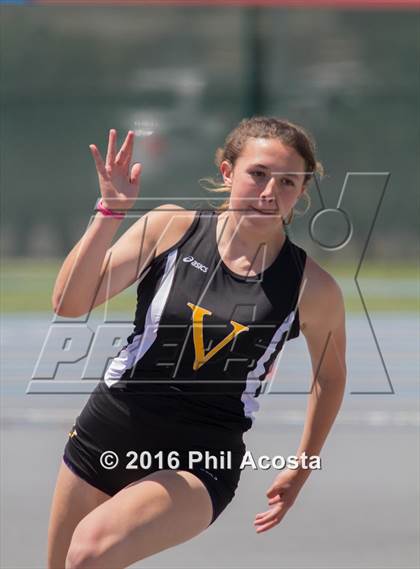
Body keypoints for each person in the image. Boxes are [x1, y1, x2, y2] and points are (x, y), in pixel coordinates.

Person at [47, 116, 346, 569]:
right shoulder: (171, 227)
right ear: (228, 173)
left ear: (301, 193)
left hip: (202, 455)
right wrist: (109, 213)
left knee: (90, 551)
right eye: (258, 173)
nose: (269, 192)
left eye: (287, 182)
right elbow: (69, 303)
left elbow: (329, 376)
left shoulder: (312, 288)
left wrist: (303, 464)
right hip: (108, 429)